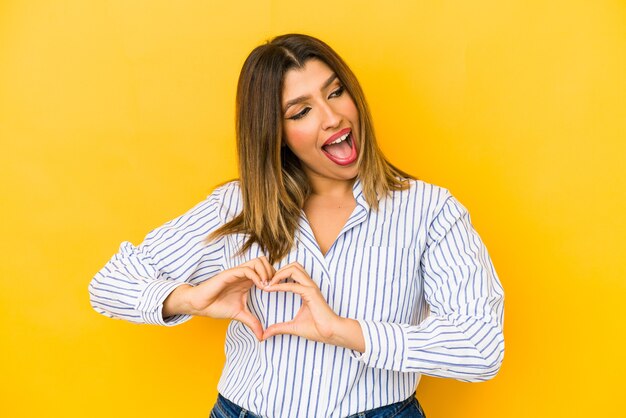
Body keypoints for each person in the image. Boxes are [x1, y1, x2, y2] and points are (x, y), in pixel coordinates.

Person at [88, 33, 504, 418]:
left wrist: (346, 332)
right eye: (301, 111)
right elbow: (109, 284)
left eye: (336, 92)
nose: (332, 118)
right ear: (276, 133)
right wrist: (189, 299)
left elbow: (481, 348)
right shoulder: (238, 207)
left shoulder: (430, 211)